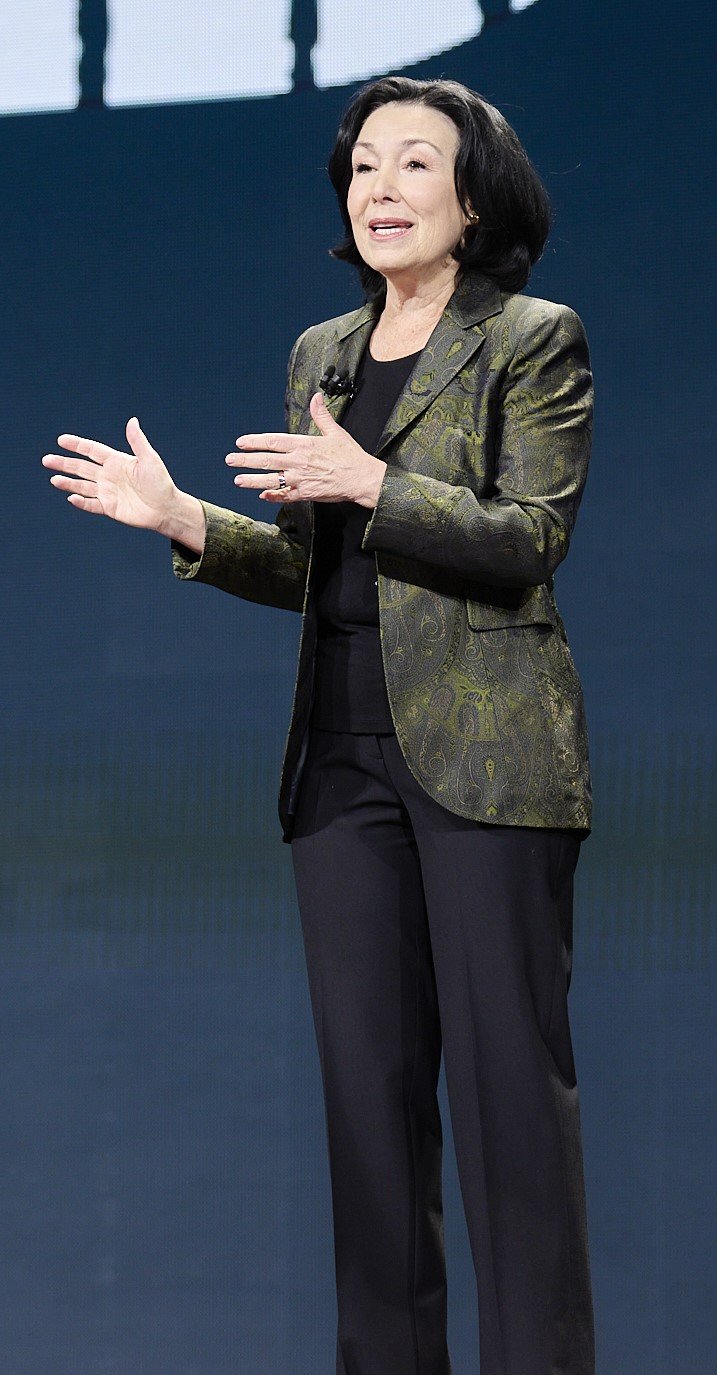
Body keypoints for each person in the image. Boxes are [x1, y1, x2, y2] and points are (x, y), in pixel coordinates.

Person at [43, 75, 595, 1375]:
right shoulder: (322, 354)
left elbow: (530, 541)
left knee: (510, 1110)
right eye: (362, 167)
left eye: (415, 163)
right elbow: (314, 567)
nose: (381, 189)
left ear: (474, 198)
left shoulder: (530, 339)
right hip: (339, 765)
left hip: (487, 764)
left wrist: (373, 481)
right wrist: (187, 521)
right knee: (369, 1114)